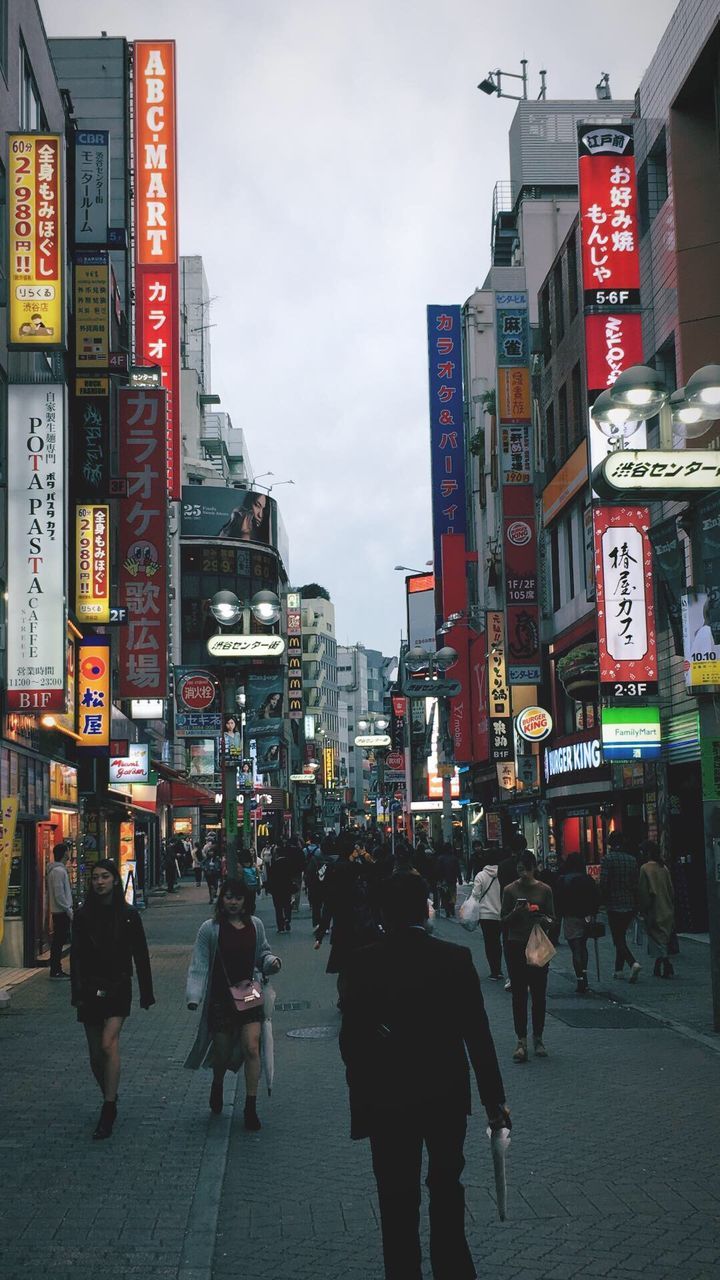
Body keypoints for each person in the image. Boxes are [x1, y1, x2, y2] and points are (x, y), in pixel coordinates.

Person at [339, 874, 508, 1280]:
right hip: (445, 1093)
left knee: (397, 1197)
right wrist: (494, 1101)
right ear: (424, 911)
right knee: (447, 1183)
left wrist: (363, 1090)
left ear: (383, 915)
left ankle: (403, 1271)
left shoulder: (362, 962)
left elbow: (350, 1043)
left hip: (387, 1098)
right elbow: (478, 1036)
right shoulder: (455, 960)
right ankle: (452, 1267)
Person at [185, 878, 281, 1128]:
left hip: (249, 994)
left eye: (238, 898)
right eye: (228, 897)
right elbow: (199, 964)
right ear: (221, 899)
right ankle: (217, 1084)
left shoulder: (256, 925)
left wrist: (271, 961)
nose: (233, 902)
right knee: (222, 1051)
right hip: (221, 999)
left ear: (246, 901)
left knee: (251, 1047)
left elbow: (263, 953)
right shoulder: (210, 928)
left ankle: (250, 1107)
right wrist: (194, 996)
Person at [70, 859, 155, 1140]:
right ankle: (110, 1093)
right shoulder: (82, 916)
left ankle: (108, 1109)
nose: (99, 882)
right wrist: (77, 993)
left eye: (105, 876)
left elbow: (140, 954)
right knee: (96, 1055)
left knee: (109, 1043)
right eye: (95, 877)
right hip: (90, 988)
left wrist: (146, 992)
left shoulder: (129, 914)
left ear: (115, 880)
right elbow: (78, 957)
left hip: (119, 985)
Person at [500, 850, 555, 1063]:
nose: (522, 874)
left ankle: (538, 1037)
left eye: (525, 869)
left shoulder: (545, 890)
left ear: (533, 868)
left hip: (538, 944)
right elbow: (503, 920)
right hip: (516, 944)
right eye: (519, 870)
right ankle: (521, 1040)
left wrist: (540, 918)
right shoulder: (510, 890)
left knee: (539, 993)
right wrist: (516, 912)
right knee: (519, 994)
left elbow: (553, 919)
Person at [555, 853, 600, 994]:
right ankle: (584, 974)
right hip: (586, 916)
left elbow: (558, 900)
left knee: (575, 949)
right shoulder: (588, 879)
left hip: (570, 917)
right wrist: (593, 913)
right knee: (583, 946)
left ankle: (580, 978)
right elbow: (596, 898)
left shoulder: (563, 880)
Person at [600, 830, 641, 983]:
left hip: (613, 904)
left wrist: (600, 901)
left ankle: (633, 963)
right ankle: (618, 970)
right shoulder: (632, 860)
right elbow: (636, 884)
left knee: (617, 939)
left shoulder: (607, 859)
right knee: (621, 936)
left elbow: (603, 883)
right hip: (629, 903)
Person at [638, 841, 676, 978]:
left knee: (656, 937)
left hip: (653, 907)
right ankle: (659, 965)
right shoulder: (663, 868)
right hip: (666, 906)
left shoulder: (645, 869)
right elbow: (671, 890)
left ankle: (665, 963)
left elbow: (643, 892)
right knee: (663, 938)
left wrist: (643, 908)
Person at [470, 853, 503, 980]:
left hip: (485, 914)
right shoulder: (502, 874)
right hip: (501, 914)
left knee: (490, 943)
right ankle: (499, 969)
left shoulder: (481, 875)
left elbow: (476, 895)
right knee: (498, 942)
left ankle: (494, 971)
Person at [47, 843, 74, 979]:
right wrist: (68, 909)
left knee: (59, 940)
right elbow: (59, 894)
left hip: (60, 911)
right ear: (64, 853)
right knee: (59, 941)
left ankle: (56, 969)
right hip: (61, 912)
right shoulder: (58, 871)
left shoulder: (58, 870)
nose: (69, 854)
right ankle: (55, 970)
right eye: (68, 851)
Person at [266, 841, 294, 932]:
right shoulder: (289, 863)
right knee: (287, 905)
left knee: (278, 908)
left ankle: (280, 926)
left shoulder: (274, 865)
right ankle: (287, 918)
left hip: (277, 889)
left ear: (276, 854)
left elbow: (270, 878)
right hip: (287, 888)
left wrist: (268, 888)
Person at [436, 843, 462, 918]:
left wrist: (438, 879)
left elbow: (437, 870)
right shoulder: (454, 858)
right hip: (452, 880)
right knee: (452, 894)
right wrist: (460, 879)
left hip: (443, 880)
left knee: (444, 895)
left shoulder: (440, 858)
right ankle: (452, 906)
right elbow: (458, 870)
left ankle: (447, 909)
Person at [203, 839, 220, 904]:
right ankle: (211, 898)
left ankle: (214, 893)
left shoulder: (217, 859)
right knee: (210, 886)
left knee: (215, 885)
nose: (211, 853)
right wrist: (205, 868)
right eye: (210, 852)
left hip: (215, 873)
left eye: (212, 852)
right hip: (208, 874)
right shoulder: (206, 859)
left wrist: (217, 868)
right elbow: (202, 864)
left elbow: (219, 865)